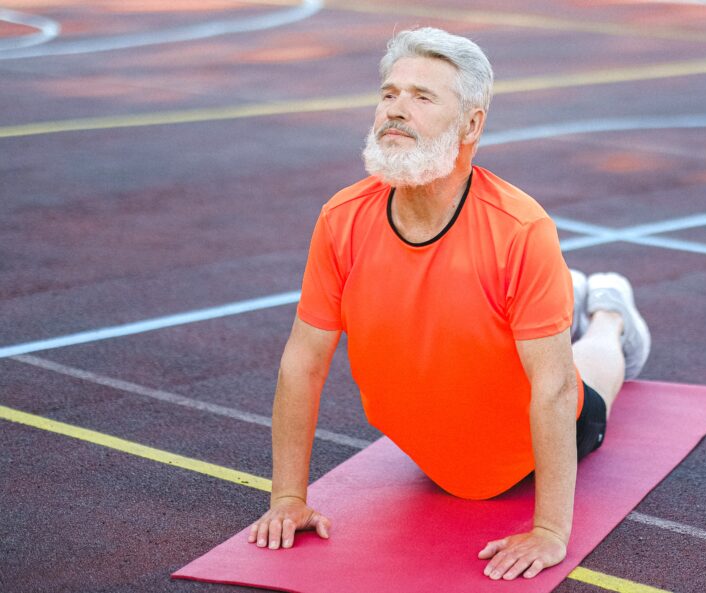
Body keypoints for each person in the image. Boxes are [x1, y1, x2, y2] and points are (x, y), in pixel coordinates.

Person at [247, 27, 651, 581]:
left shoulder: (520, 230)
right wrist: (288, 495)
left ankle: (607, 310)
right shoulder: (341, 218)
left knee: (590, 377)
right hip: (431, 452)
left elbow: (554, 390)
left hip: (521, 453)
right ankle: (569, 301)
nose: (396, 109)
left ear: (472, 124)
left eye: (422, 97)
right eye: (389, 93)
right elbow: (304, 360)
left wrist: (551, 530)